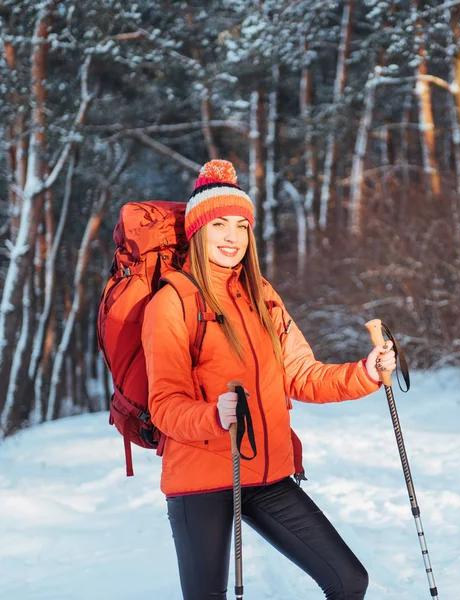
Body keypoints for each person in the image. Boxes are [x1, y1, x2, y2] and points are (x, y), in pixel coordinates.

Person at [141, 159, 397, 600]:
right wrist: (212, 415)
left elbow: (302, 374)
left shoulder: (261, 295)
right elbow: (164, 404)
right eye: (219, 224)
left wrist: (365, 372)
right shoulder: (172, 302)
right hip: (199, 480)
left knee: (349, 580)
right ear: (197, 231)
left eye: (241, 226)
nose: (231, 237)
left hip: (267, 474)